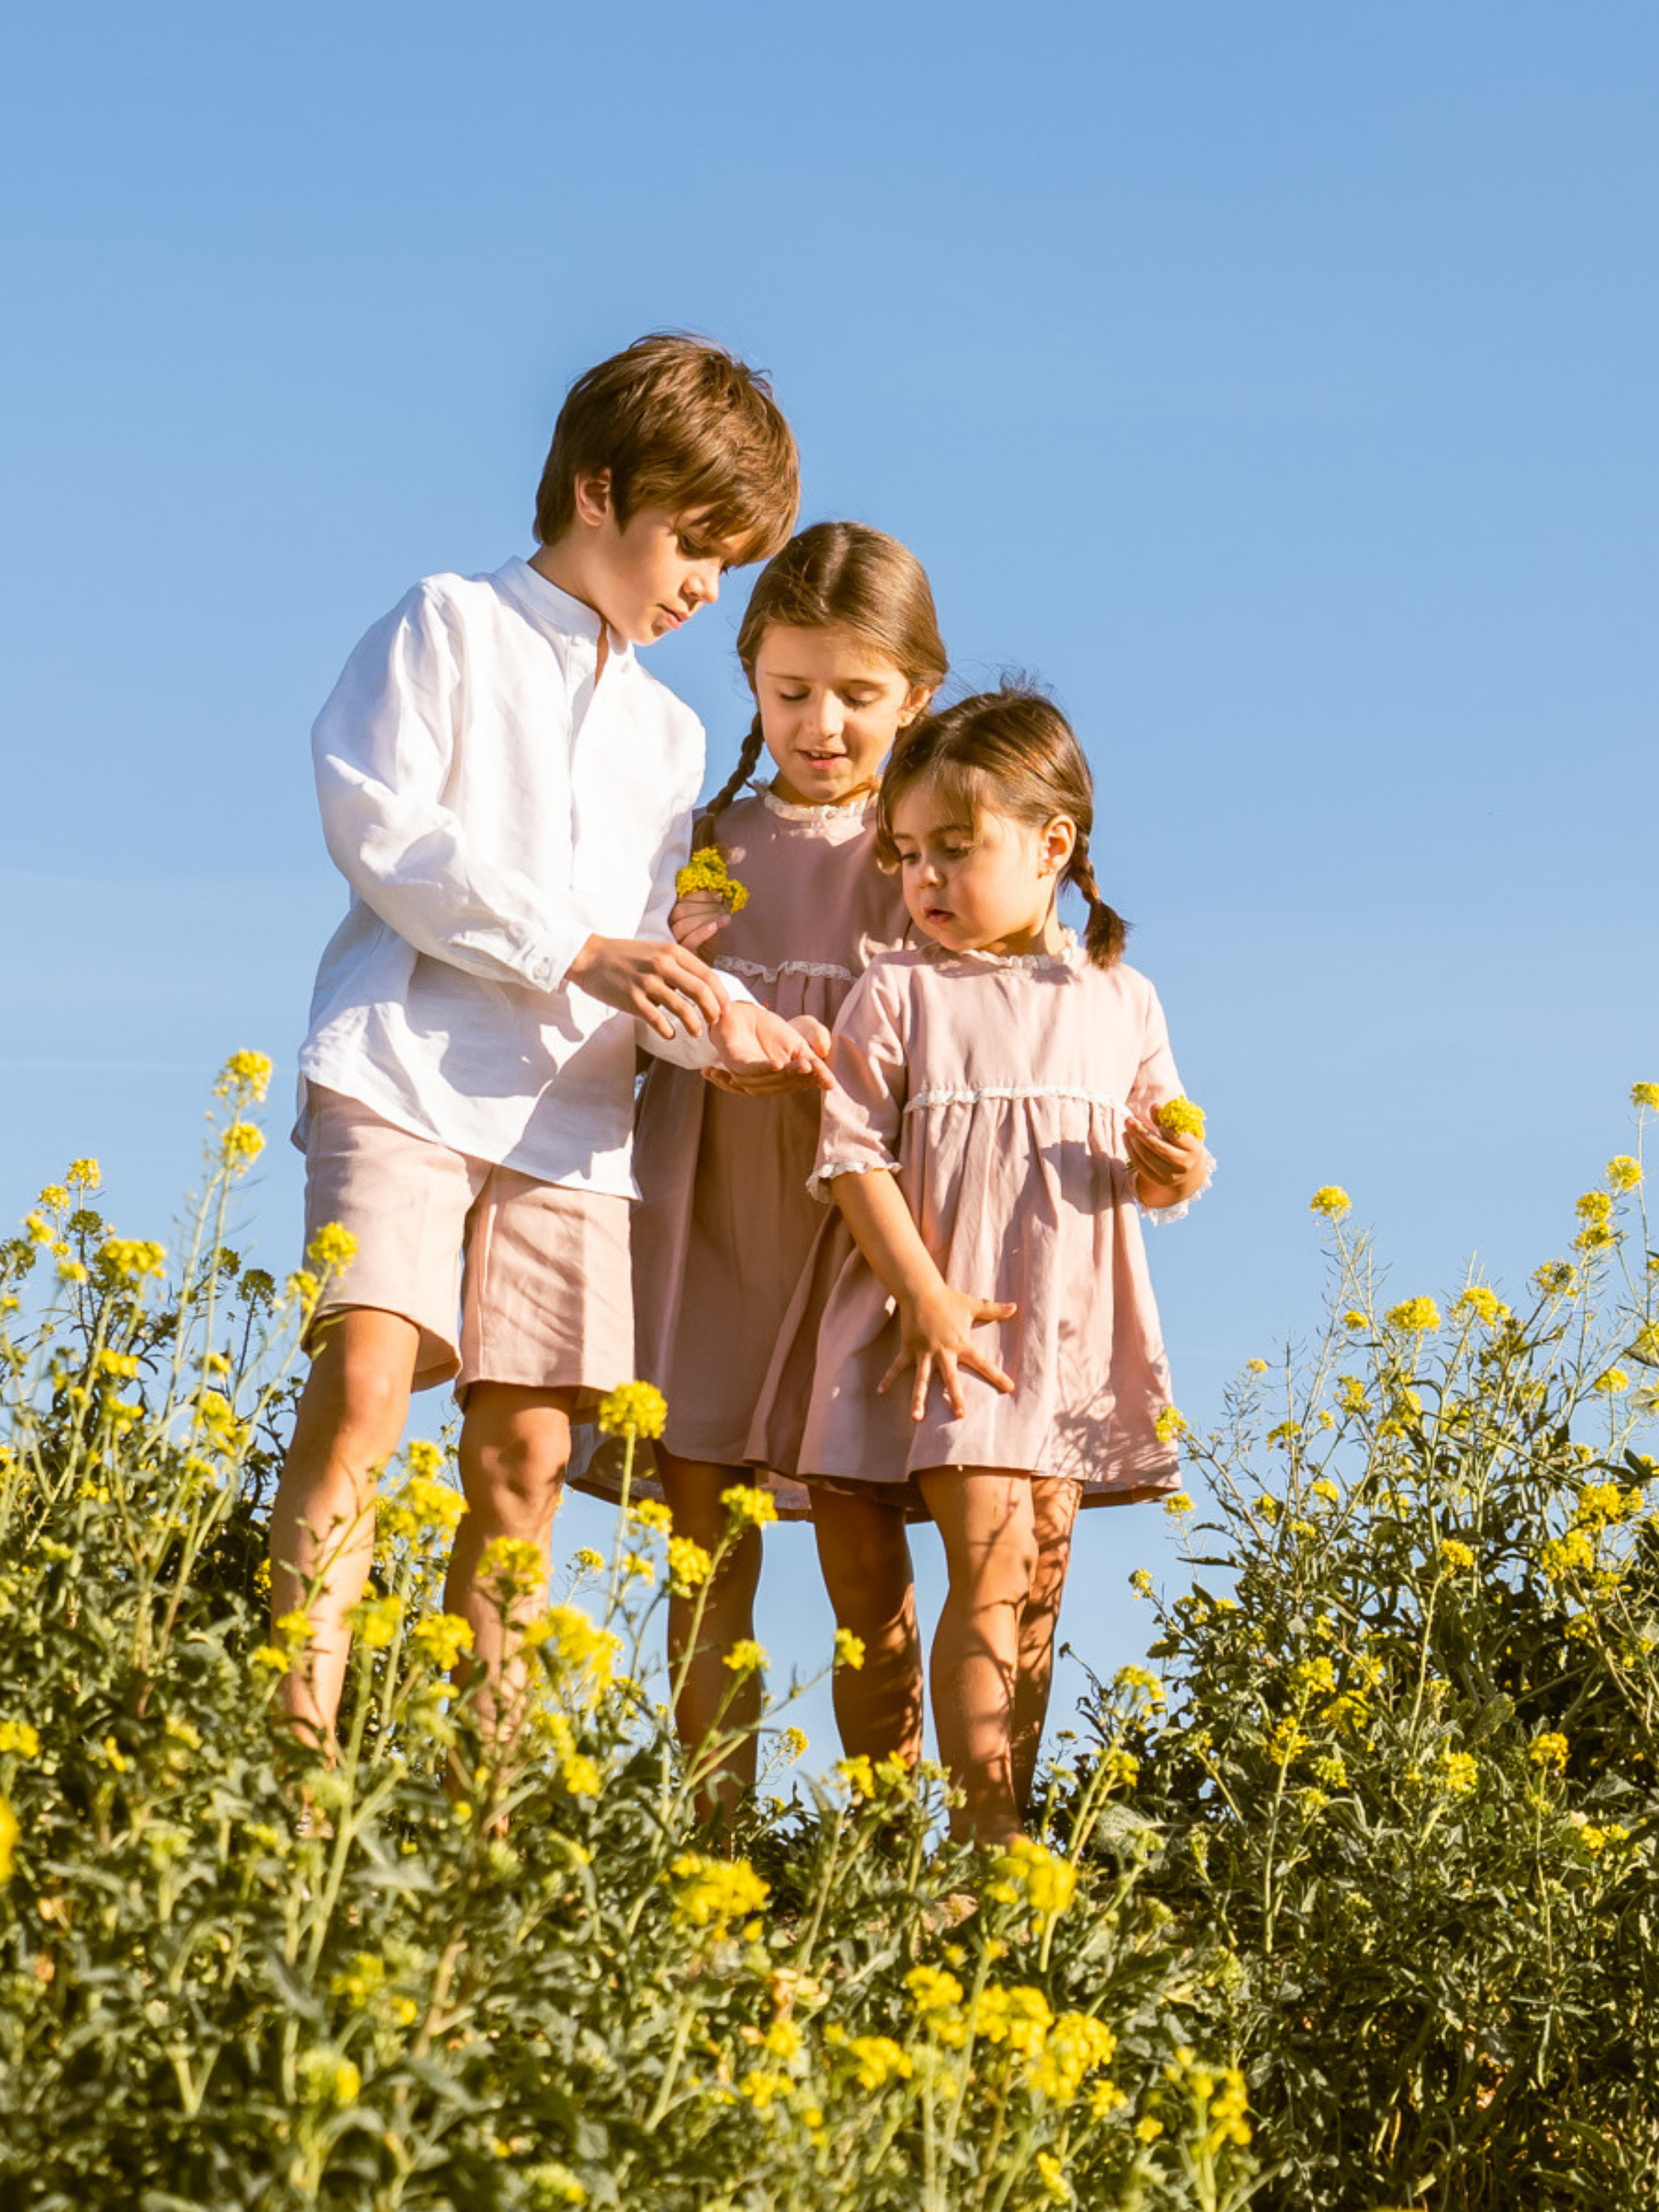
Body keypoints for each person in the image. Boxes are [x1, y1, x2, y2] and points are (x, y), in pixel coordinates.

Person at [268, 333, 826, 1748]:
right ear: (597, 492)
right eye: (694, 544)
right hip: (403, 1064)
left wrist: (724, 1035)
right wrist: (577, 949)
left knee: (525, 1454)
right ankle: (296, 1751)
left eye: (729, 561)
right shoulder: (445, 622)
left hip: (571, 1122)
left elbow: (637, 960)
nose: (707, 586)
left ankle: (483, 1797)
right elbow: (379, 826)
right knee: (364, 1392)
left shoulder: (672, 737)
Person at [752, 686, 1214, 1844]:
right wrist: (929, 1299)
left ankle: (991, 1824)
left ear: (1053, 844)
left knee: (1030, 1589)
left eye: (957, 849)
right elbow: (852, 1157)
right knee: (918, 1592)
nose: (927, 880)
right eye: (909, 855)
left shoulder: (1122, 998)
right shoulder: (897, 989)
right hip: (925, 1322)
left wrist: (1178, 1167)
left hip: (1050, 1335)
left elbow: (1158, 1161)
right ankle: (933, 1833)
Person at [579, 521, 947, 1818]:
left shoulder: (927, 872)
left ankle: (884, 1854)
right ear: (748, 678)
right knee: (703, 1550)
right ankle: (712, 1854)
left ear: (918, 698)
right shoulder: (703, 840)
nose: (822, 724)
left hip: (855, 1238)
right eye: (790, 693)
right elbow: (635, 1000)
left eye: (857, 696)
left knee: (865, 1563)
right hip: (703, 1215)